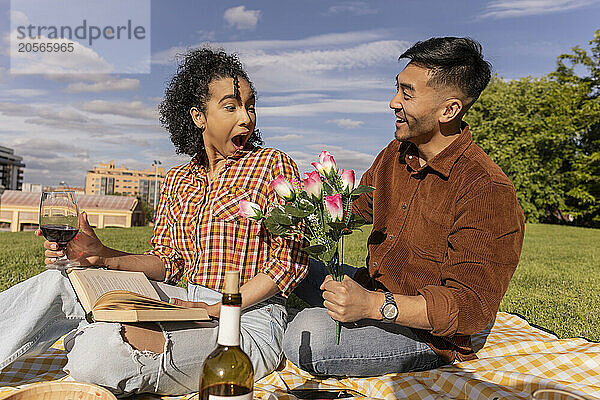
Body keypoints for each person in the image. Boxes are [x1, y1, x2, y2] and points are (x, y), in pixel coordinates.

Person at [0, 48, 308, 396]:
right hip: (180, 301)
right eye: (231, 106)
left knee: (96, 355)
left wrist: (214, 308)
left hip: (246, 319)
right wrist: (100, 255)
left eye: (250, 106)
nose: (247, 118)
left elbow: (289, 262)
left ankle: (93, 336)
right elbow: (168, 261)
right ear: (198, 116)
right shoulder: (178, 179)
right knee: (61, 280)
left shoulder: (273, 165)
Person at [283, 37, 525, 377]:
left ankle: (274, 327)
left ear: (449, 110)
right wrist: (289, 213)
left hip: (428, 334)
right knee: (289, 264)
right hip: (374, 287)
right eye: (397, 89)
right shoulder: (395, 155)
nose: (393, 102)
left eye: (407, 93)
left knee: (305, 335)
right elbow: (349, 208)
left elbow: (470, 308)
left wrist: (370, 306)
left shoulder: (486, 189)